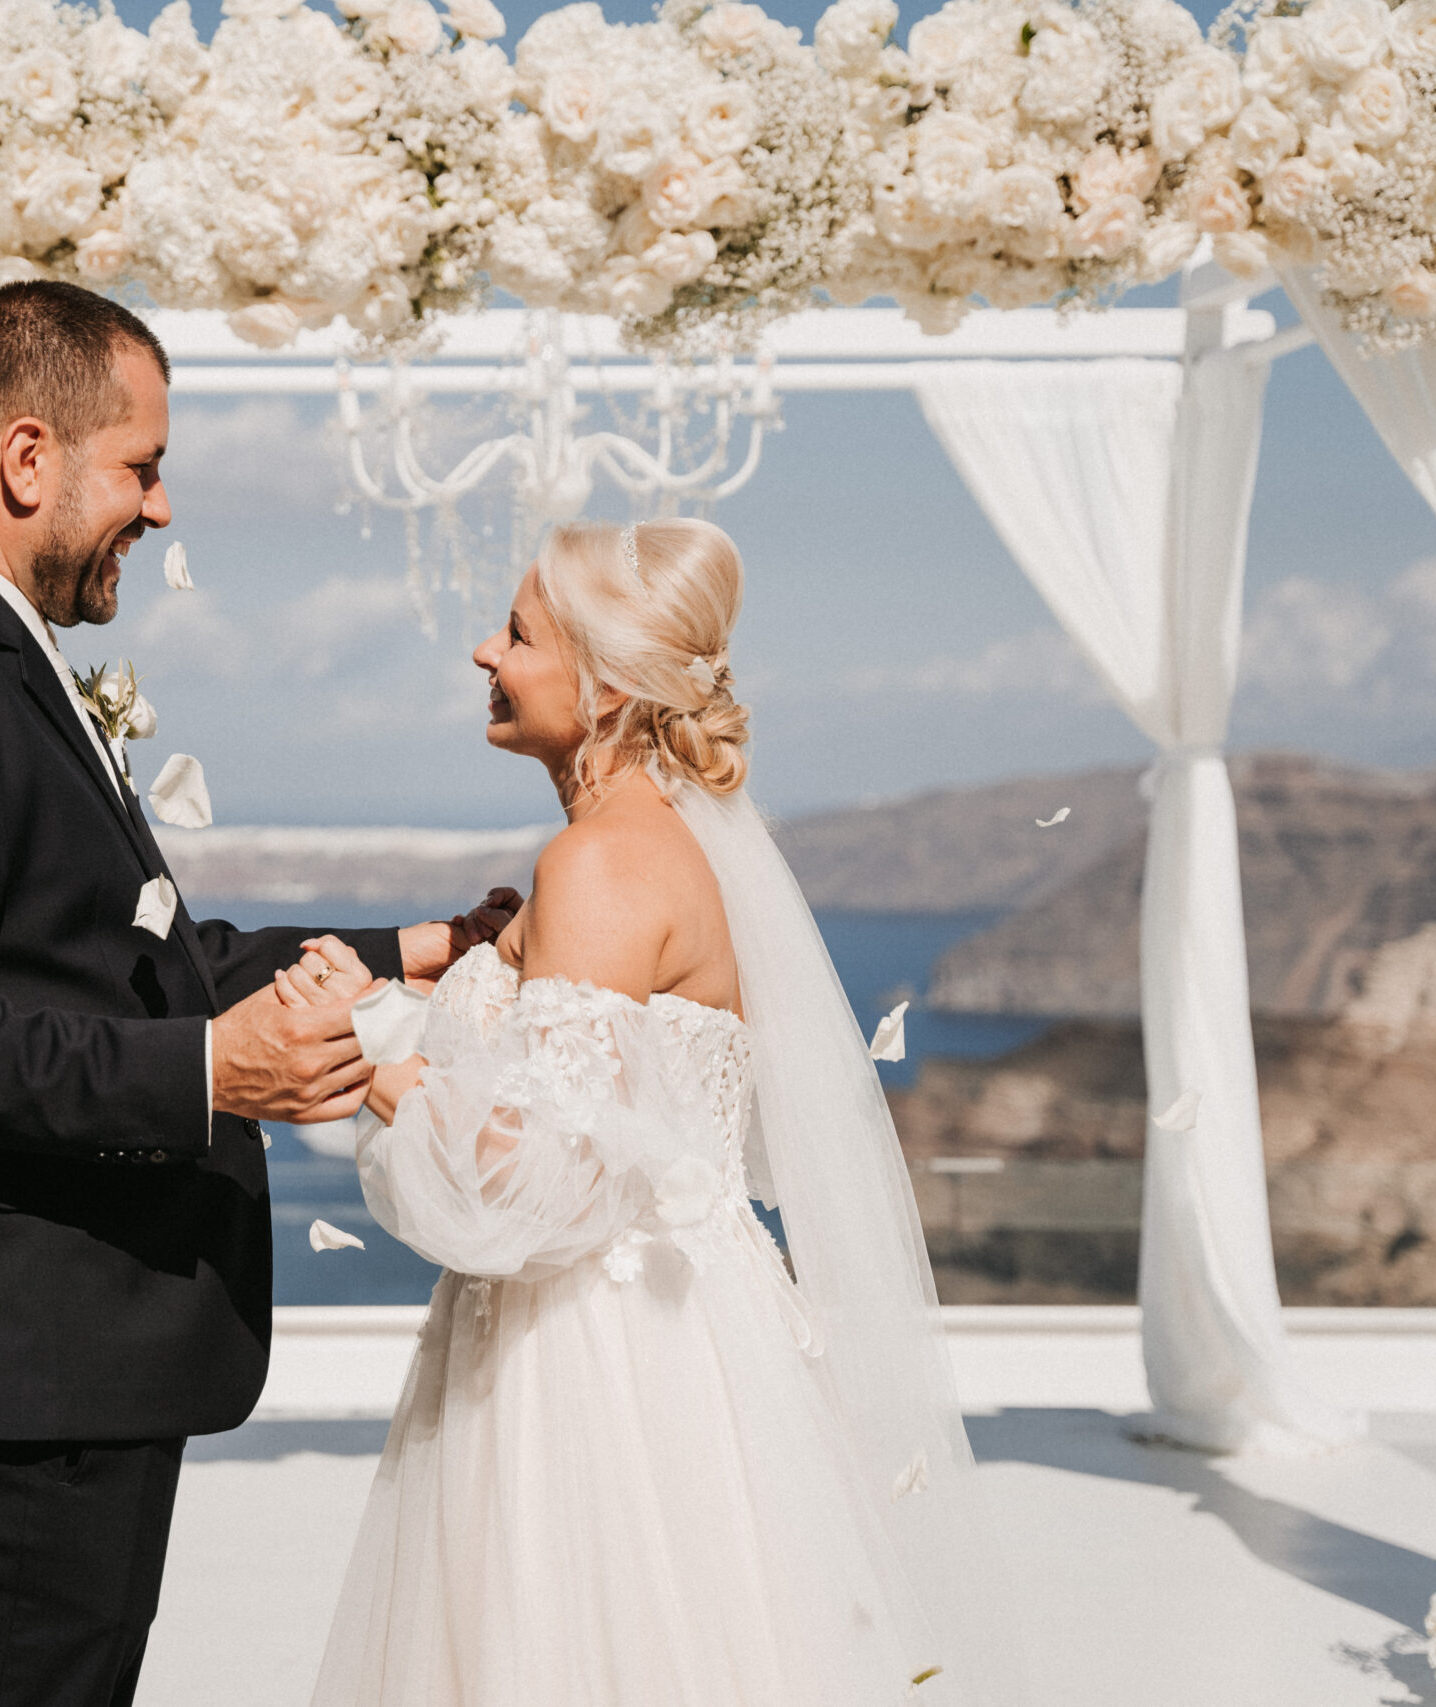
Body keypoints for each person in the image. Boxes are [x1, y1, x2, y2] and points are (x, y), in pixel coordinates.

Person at [0, 280, 510, 1707]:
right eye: (142, 467)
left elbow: (129, 962)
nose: (161, 510)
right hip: (19, 1367)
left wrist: (410, 946)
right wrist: (207, 1076)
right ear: (27, 458)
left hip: (67, 1364)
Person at [288, 519, 1006, 1706]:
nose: (483, 653)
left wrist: (371, 1052)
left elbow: (533, 1183)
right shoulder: (649, 846)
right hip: (681, 1330)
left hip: (593, 1355)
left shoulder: (598, 865)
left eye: (516, 634)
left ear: (608, 686)